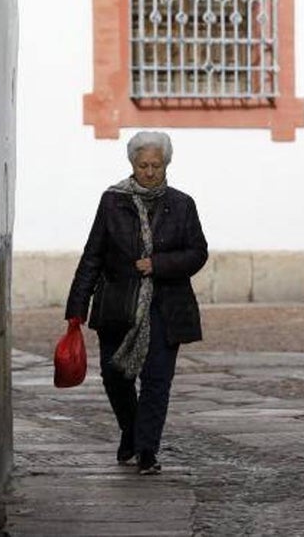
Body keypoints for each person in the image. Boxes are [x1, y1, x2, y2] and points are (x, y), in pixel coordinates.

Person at [65, 131, 207, 475]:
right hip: (118, 304)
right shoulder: (113, 201)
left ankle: (146, 450)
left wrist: (159, 264)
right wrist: (76, 308)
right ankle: (131, 431)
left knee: (157, 380)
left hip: (166, 306)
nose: (149, 171)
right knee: (114, 376)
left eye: (155, 165)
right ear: (132, 164)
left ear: (166, 165)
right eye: (142, 165)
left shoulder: (182, 204)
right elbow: (93, 254)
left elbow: (197, 252)